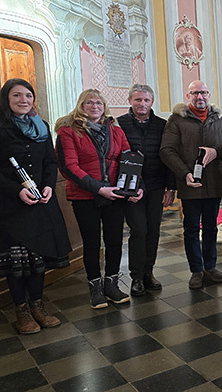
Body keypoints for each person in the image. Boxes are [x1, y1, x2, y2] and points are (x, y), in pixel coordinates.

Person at [0, 79, 71, 333]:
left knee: (38, 257)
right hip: (11, 206)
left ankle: (38, 307)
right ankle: (22, 311)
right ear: (7, 99)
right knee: (18, 262)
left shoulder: (41, 126)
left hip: (41, 202)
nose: (23, 100)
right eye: (16, 95)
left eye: (28, 95)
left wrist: (49, 185)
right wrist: (17, 191)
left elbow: (50, 162)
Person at [55, 89, 135, 308]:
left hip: (115, 195)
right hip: (84, 196)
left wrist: (133, 187)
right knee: (91, 243)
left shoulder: (115, 131)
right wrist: (100, 189)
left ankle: (111, 284)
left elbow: (128, 160)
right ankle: (95, 287)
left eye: (99, 103)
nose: (95, 106)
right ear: (81, 105)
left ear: (104, 106)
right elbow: (69, 167)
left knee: (114, 240)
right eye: (89, 102)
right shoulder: (68, 131)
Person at [160, 80, 222, 289]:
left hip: (214, 183)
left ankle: (211, 266)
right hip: (190, 184)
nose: (200, 97)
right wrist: (185, 173)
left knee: (210, 228)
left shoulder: (219, 119)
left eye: (203, 93)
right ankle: (196, 270)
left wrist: (217, 151)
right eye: (195, 93)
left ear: (209, 95)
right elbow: (166, 150)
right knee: (191, 229)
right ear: (188, 96)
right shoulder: (177, 120)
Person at [117, 84, 176, 297]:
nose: (142, 104)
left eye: (146, 100)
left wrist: (171, 188)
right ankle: (136, 277)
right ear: (130, 101)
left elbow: (168, 156)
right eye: (138, 100)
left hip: (157, 185)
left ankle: (148, 273)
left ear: (152, 102)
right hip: (131, 187)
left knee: (153, 231)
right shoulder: (119, 124)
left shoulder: (162, 124)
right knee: (138, 230)